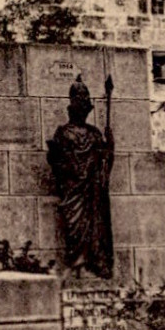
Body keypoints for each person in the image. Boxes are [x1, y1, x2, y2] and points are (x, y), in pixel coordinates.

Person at [47, 74, 114, 279]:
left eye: (86, 104)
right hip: (75, 190)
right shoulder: (63, 132)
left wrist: (109, 146)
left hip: (93, 193)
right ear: (72, 107)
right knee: (75, 227)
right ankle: (78, 264)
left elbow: (104, 163)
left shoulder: (94, 134)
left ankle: (96, 263)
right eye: (80, 102)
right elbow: (56, 162)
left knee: (97, 226)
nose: (84, 108)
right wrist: (72, 169)